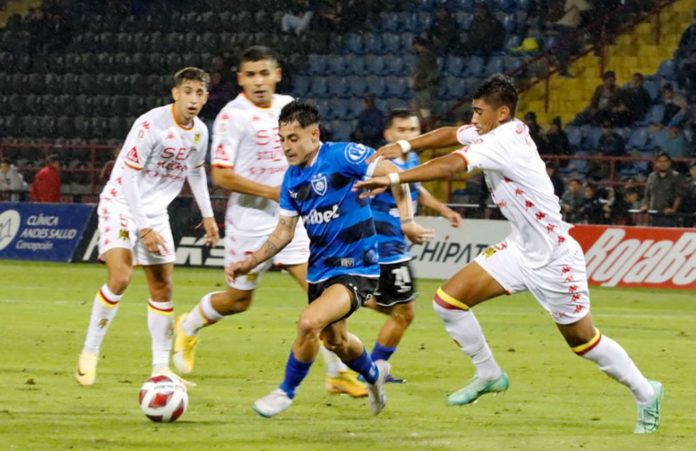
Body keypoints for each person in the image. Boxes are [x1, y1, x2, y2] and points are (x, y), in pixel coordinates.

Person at [358, 74, 663, 434]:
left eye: (479, 112)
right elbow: (450, 133)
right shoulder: (491, 130)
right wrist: (407, 147)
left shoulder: (503, 141)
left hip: (554, 257)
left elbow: (453, 165)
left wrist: (394, 179)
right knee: (447, 302)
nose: (473, 119)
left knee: (583, 341)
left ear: (501, 113)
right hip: (521, 247)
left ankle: (646, 392)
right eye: (473, 111)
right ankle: (489, 374)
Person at [171, 46, 366, 398]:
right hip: (249, 221)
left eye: (265, 73)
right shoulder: (233, 116)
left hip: (295, 223)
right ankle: (189, 323)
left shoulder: (288, 107)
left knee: (323, 292)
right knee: (237, 301)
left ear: (277, 74)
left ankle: (338, 374)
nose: (258, 81)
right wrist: (275, 192)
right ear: (240, 79)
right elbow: (222, 176)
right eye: (250, 75)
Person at [227, 100, 432, 417]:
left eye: (293, 138)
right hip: (320, 271)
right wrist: (251, 262)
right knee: (336, 341)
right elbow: (283, 232)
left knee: (308, 322)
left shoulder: (343, 156)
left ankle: (286, 391)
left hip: (358, 266)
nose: (286, 146)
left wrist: (406, 221)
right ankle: (374, 376)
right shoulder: (292, 180)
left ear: (314, 133)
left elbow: (394, 174)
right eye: (282, 139)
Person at [74, 67, 219, 386]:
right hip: (122, 204)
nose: (193, 98)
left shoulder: (200, 132)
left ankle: (160, 369)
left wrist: (207, 215)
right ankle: (89, 353)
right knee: (121, 277)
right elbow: (128, 179)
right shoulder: (151, 125)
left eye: (200, 92)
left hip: (154, 213)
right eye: (188, 91)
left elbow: (194, 171)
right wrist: (143, 228)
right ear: (175, 93)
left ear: (206, 97)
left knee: (163, 287)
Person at [365, 109, 460, 383]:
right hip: (384, 243)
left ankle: (372, 367)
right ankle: (371, 369)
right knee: (404, 312)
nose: (408, 135)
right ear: (388, 134)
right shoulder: (380, 161)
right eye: (402, 130)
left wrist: (443, 209)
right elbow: (383, 187)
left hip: (396, 243)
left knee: (399, 310)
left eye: (413, 130)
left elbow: (414, 187)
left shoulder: (413, 157)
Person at [640, 152, 683, 227]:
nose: (663, 163)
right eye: (660, 161)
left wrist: (673, 209)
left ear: (669, 163)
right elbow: (647, 194)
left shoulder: (676, 176)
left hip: (668, 215)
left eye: (665, 161)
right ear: (656, 163)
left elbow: (679, 195)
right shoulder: (651, 177)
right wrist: (645, 206)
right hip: (653, 214)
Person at [410, 36, 441, 123]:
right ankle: (422, 130)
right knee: (415, 107)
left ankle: (430, 132)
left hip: (426, 87)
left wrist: (418, 81)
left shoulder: (426, 56)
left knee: (425, 112)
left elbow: (426, 73)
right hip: (425, 87)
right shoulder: (427, 55)